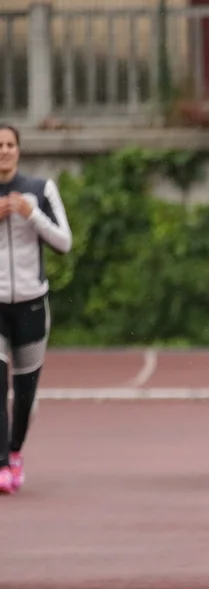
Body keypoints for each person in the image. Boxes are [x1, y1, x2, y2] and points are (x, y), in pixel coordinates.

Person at [0, 124, 73, 494]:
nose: (4, 150)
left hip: (31, 304)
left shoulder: (41, 189)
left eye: (10, 144)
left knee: (25, 391)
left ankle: (14, 451)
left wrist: (31, 214)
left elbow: (64, 241)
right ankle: (0, 464)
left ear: (19, 150)